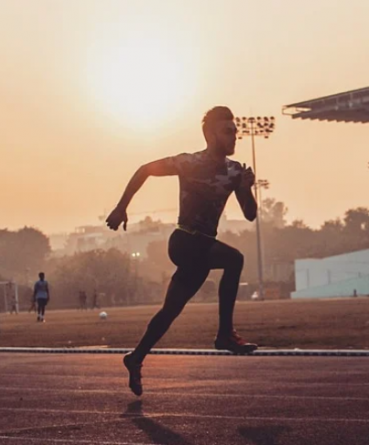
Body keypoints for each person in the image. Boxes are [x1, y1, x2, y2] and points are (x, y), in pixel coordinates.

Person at [106, 106, 258, 396]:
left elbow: (250, 215)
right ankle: (225, 334)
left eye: (235, 130)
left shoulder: (235, 171)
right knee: (234, 259)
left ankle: (135, 357)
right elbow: (144, 170)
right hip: (184, 241)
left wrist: (246, 188)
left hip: (201, 252)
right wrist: (122, 206)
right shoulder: (189, 162)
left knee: (169, 312)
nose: (235, 135)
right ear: (211, 134)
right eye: (228, 130)